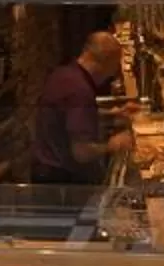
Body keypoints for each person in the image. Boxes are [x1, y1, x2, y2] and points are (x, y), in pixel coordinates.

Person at [32, 27, 133, 191]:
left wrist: (112, 114)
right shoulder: (80, 91)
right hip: (60, 181)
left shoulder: (64, 73)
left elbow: (70, 117)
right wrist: (112, 144)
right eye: (115, 66)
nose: (114, 74)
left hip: (43, 168)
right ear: (106, 62)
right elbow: (81, 152)